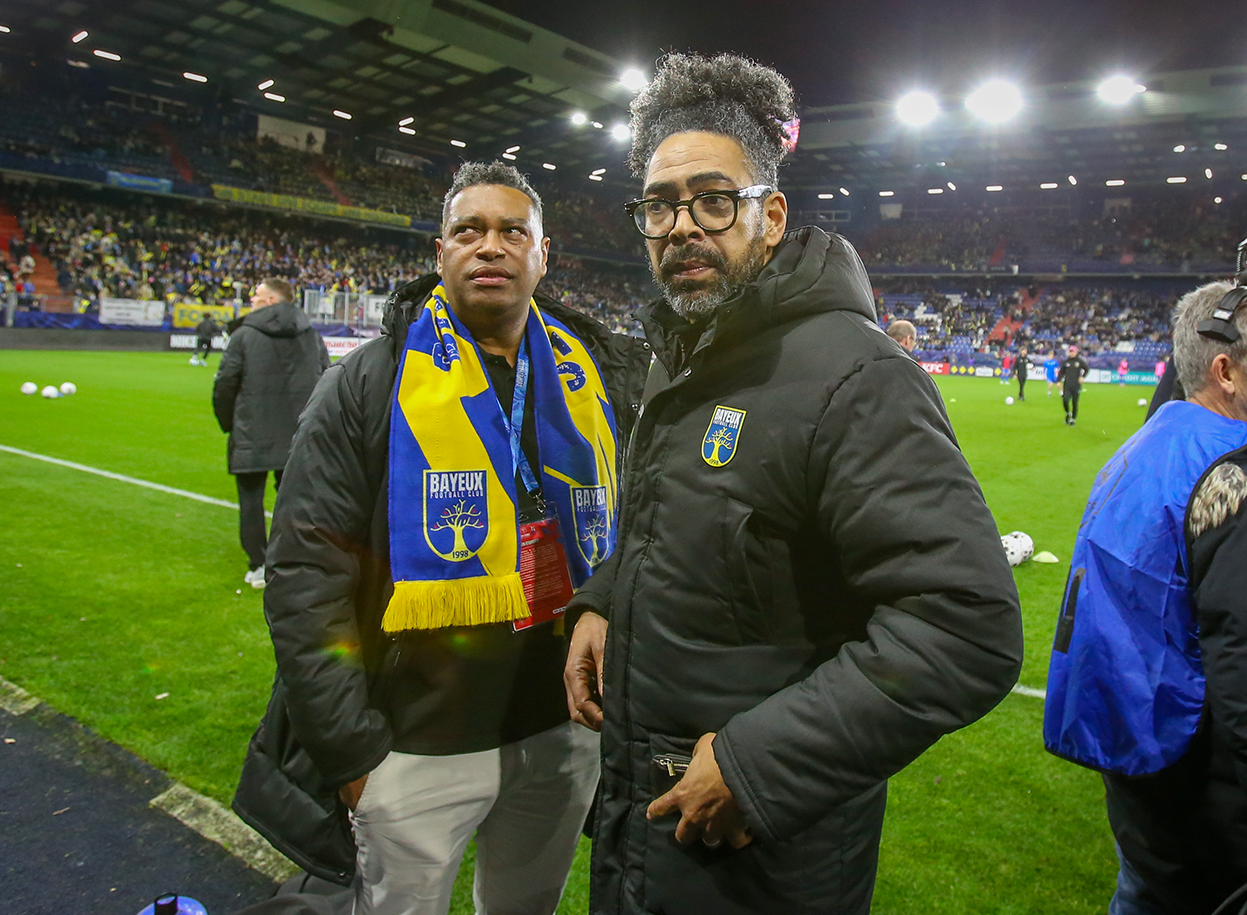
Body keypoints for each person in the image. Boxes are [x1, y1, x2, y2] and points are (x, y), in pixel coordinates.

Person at [563, 53, 1022, 915]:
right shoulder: (684, 354)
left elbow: (965, 625)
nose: (681, 227)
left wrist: (755, 766)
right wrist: (604, 598)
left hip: (764, 860)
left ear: (770, 216)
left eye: (713, 199)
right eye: (659, 206)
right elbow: (683, 525)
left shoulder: (856, 376)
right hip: (646, 829)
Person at [231, 162, 648, 915]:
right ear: (440, 251)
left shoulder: (599, 378)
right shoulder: (369, 381)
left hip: (562, 729)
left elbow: (643, 531)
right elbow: (304, 573)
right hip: (411, 745)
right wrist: (352, 751)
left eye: (512, 231)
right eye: (469, 230)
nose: (490, 246)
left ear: (543, 255)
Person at [1044, 279, 1247, 914]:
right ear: (1225, 372)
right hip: (1197, 779)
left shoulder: (1148, 443)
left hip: (1139, 761)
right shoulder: (1230, 472)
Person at [212, 278, 329, 588]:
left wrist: (230, 423)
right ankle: (297, 558)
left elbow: (224, 384)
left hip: (253, 431)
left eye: (257, 295)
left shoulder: (244, 336)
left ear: (272, 301)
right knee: (297, 498)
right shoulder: (311, 336)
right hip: (299, 433)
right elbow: (327, 382)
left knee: (251, 500)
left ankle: (259, 564)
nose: (251, 300)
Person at [1061, 343, 1089, 425]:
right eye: (1070, 351)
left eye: (1072, 351)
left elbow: (1086, 369)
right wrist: (1058, 381)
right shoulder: (1066, 362)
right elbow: (1061, 372)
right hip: (1067, 385)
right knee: (1065, 400)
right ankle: (1068, 413)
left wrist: (1082, 376)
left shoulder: (1079, 361)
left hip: (1076, 385)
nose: (1071, 353)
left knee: (1074, 402)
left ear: (1076, 352)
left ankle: (1073, 419)